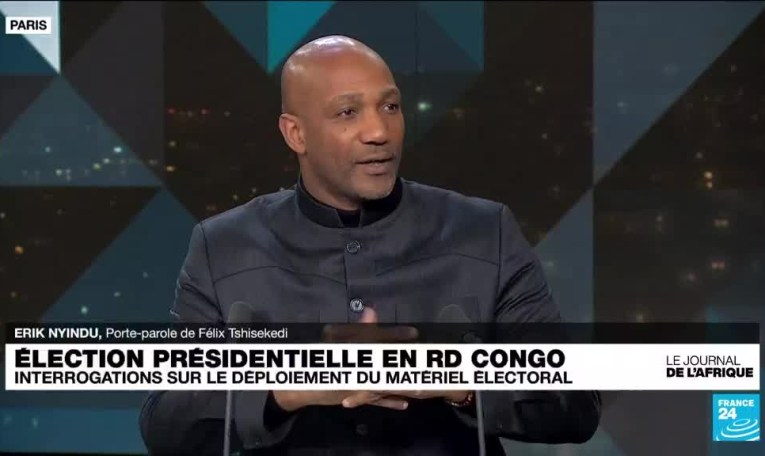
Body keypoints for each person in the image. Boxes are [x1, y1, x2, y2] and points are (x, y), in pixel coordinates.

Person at [139, 35, 601, 455]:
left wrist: (459, 380)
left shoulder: (486, 232)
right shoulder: (223, 246)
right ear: (295, 133)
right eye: (348, 112)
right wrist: (286, 389)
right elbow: (166, 424)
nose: (379, 131)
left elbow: (576, 404)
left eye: (391, 107)